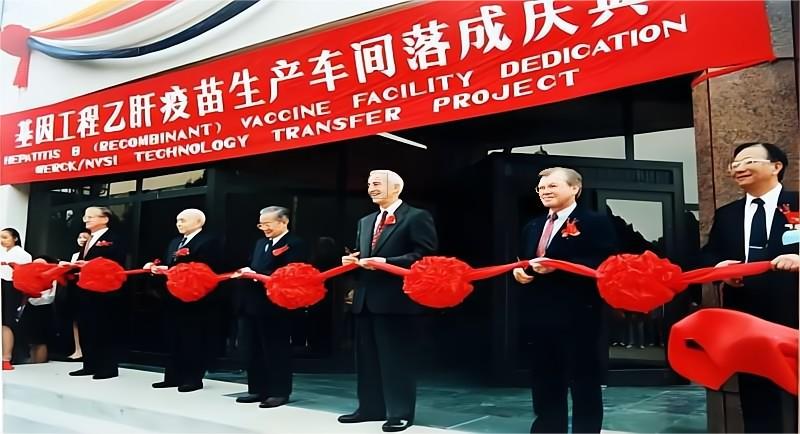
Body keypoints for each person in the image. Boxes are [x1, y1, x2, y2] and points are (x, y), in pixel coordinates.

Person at [701, 142, 799, 432]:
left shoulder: (797, 203)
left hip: (793, 310)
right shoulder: (728, 213)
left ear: (776, 166)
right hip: (746, 318)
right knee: (755, 394)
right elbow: (708, 254)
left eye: (748, 162)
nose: (738, 169)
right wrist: (721, 268)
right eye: (734, 165)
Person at [512, 167, 618, 433]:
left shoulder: (594, 222)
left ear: (574, 189)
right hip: (539, 315)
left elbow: (606, 262)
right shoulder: (532, 225)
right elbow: (525, 259)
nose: (545, 192)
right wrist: (520, 272)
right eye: (541, 188)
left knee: (584, 382)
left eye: (552, 186)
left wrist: (560, 266)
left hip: (579, 314)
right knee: (544, 380)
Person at [338, 169, 437, 433]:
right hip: (365, 299)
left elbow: (425, 257)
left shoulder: (416, 216)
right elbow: (364, 255)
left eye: (377, 184)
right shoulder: (365, 221)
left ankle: (399, 413)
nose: (371, 188)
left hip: (396, 301)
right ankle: (369, 408)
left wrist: (387, 262)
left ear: (396, 187)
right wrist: (352, 261)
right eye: (369, 184)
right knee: (366, 360)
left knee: (397, 360)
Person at [232, 206, 307, 408]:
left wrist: (256, 274)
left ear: (284, 222)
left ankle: (279, 392)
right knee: (253, 348)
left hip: (276, 305)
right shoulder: (260, 243)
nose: (264, 228)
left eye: (268, 224)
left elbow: (292, 272)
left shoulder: (295, 243)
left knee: (276, 349)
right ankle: (257, 389)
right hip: (253, 303)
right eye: (261, 224)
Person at [148, 209, 221, 393]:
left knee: (193, 338)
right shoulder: (175, 241)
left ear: (198, 222)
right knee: (173, 337)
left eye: (183, 220)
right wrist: (158, 268)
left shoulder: (208, 241)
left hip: (194, 297)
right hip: (173, 295)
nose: (179, 224)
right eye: (177, 220)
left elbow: (205, 268)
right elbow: (171, 264)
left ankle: (193, 378)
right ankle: (172, 376)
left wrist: (175, 271)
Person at [69, 206, 127, 379]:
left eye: (91, 216)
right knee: (87, 327)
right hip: (85, 290)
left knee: (104, 329)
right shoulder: (89, 239)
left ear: (105, 219)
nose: (86, 220)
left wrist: (89, 266)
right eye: (85, 217)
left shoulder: (114, 239)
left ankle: (108, 368)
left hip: (104, 292)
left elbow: (115, 263)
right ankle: (90, 364)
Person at [0, 228, 33, 371]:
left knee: (7, 322)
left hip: (11, 288)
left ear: (15, 238)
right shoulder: (2, 252)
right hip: (2, 285)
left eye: (5, 237)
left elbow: (25, 276)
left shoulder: (23, 255)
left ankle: (6, 358)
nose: (2, 240)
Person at [20, 255, 58, 363]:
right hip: (30, 308)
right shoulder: (29, 277)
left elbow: (50, 297)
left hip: (44, 309)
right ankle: (33, 362)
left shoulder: (53, 277)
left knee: (41, 340)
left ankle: (40, 364)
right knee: (31, 340)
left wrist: (35, 296)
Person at [66, 230, 90, 361]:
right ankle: (78, 349)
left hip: (88, 288)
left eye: (85, 237)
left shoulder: (92, 254)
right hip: (74, 288)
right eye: (79, 237)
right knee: (75, 319)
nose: (81, 239)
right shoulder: (75, 255)